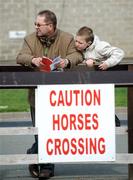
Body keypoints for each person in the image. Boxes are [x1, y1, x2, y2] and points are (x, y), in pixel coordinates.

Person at [16, 10, 83, 179]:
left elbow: (77, 55)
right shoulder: (30, 39)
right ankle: (46, 167)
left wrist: (67, 61)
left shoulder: (67, 38)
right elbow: (20, 56)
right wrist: (32, 60)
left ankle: (34, 154)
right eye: (36, 24)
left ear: (51, 26)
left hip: (60, 95)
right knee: (41, 131)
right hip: (37, 95)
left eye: (39, 24)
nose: (36, 27)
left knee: (55, 132)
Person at [75, 26, 125, 126]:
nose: (77, 44)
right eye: (76, 41)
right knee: (91, 103)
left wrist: (107, 63)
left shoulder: (100, 47)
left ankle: (114, 122)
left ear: (88, 43)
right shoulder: (81, 48)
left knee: (101, 102)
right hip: (88, 79)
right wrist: (87, 61)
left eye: (80, 43)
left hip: (101, 78)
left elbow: (119, 53)